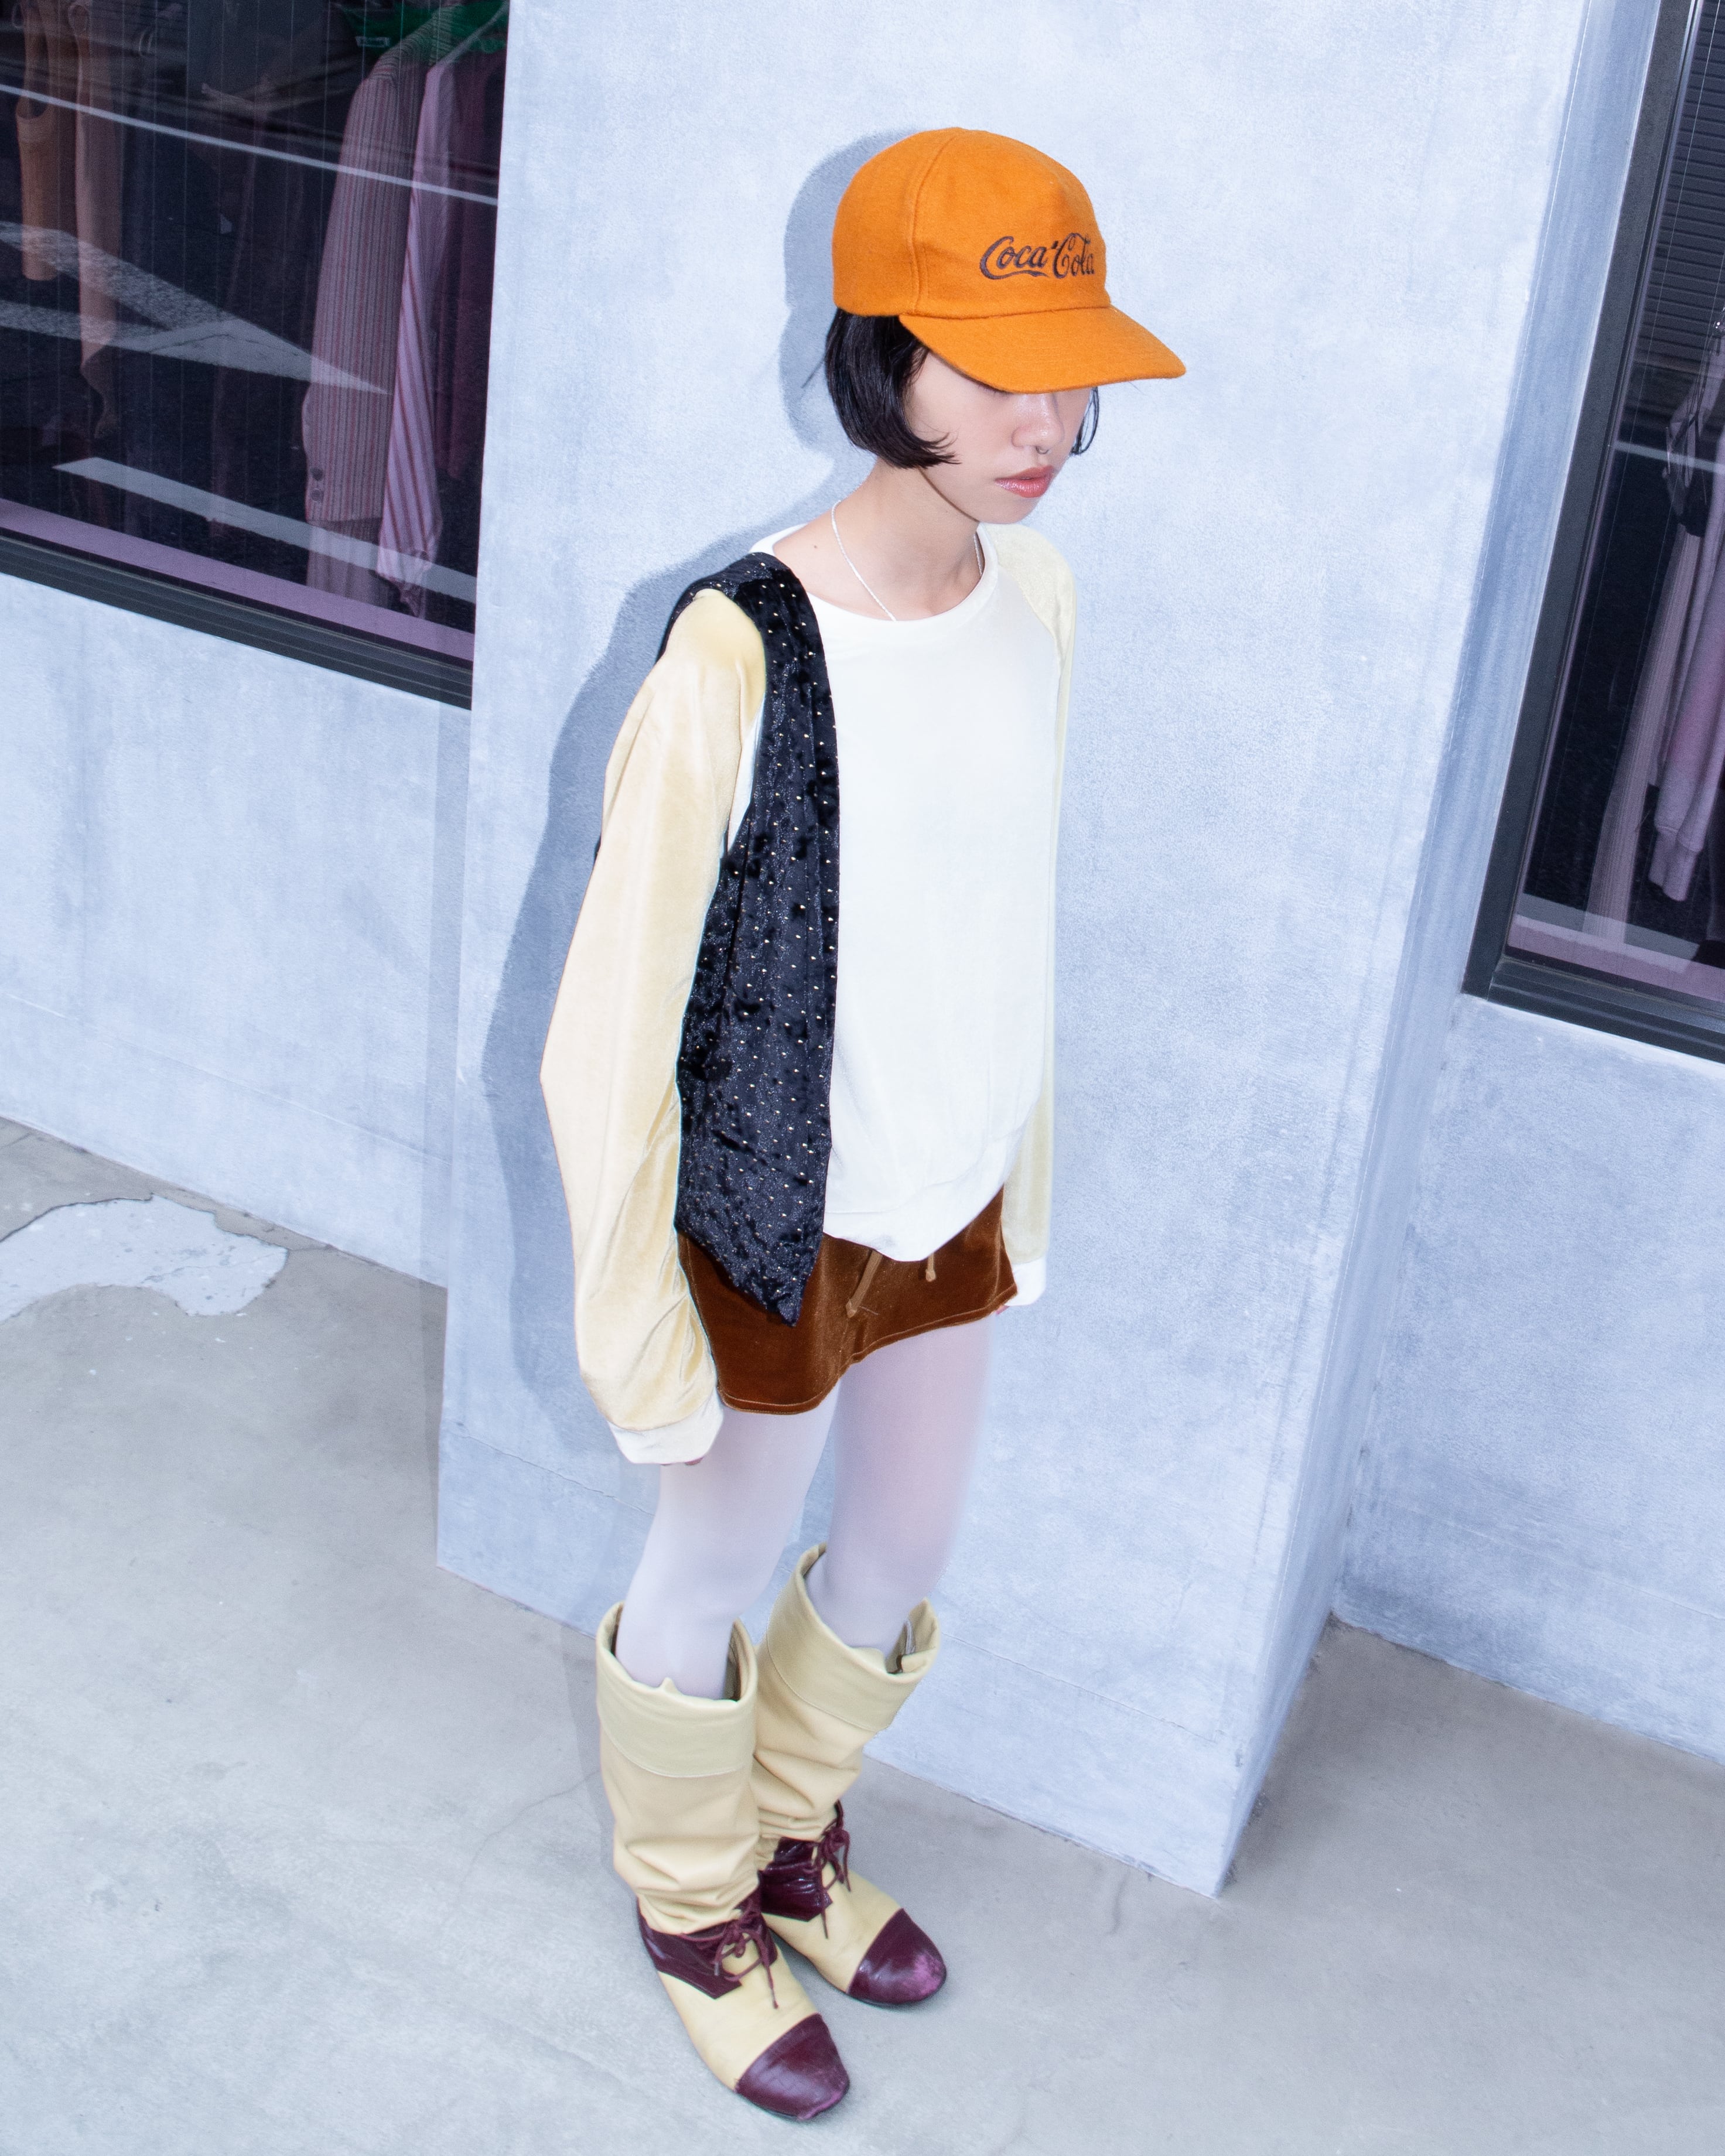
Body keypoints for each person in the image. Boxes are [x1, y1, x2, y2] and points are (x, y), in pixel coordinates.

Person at [541, 126, 1183, 2122]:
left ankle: (790, 1826)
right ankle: (690, 1903)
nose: (1044, 423)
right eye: (994, 372)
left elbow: (998, 916)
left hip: (954, 1185)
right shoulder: (740, 645)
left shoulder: (1039, 595)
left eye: (1069, 373)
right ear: (878, 359)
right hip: (777, 1209)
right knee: (714, 1553)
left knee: (901, 1541)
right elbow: (606, 1029)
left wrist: (1017, 1177)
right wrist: (634, 1315)